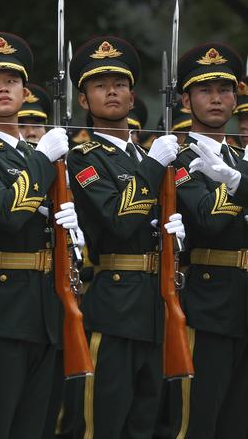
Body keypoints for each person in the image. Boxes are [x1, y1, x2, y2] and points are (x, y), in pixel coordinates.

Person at [66, 36, 185, 438]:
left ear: (133, 98)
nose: (111, 91)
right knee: (109, 418)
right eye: (99, 85)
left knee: (151, 421)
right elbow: (120, 218)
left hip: (156, 302)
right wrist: (154, 164)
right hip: (115, 306)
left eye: (119, 84)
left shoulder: (150, 157)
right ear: (83, 101)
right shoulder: (84, 159)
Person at [0, 31, 75, 438]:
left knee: (37, 426)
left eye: (12, 80)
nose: (4, 87)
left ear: (26, 92)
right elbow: (8, 212)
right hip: (1, 310)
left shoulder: (35, 156)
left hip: (45, 309)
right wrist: (43, 160)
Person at [170, 43, 248, 438]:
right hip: (209, 301)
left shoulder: (239, 162)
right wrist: (239, 189)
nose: (217, 99)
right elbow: (207, 219)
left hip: (243, 303)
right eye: (205, 90)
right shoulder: (179, 159)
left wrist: (236, 181)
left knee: (237, 422)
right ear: (186, 100)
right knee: (201, 418)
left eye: (225, 89)